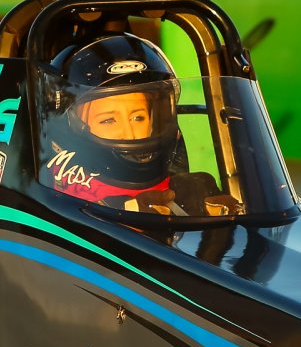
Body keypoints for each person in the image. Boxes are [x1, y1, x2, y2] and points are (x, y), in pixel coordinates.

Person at [40, 33, 190, 213]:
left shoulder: (175, 187)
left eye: (138, 118)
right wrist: (129, 211)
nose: (129, 133)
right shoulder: (53, 193)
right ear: (71, 124)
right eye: (108, 120)